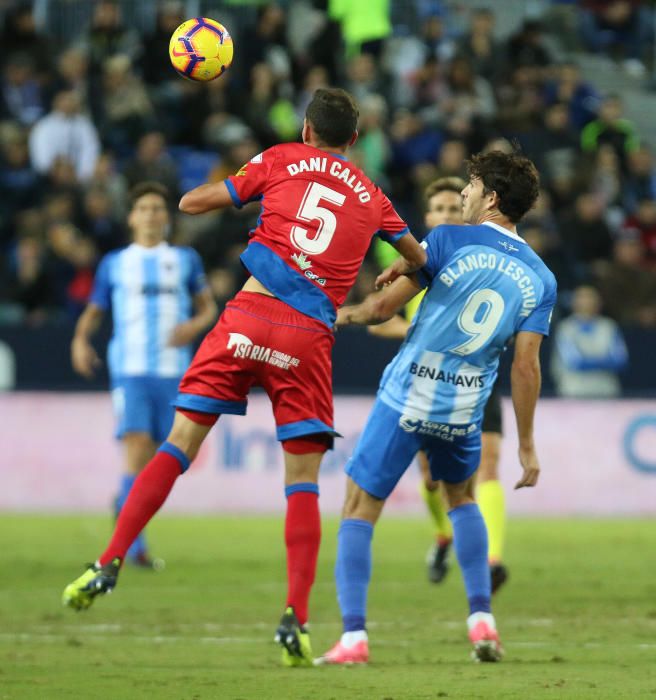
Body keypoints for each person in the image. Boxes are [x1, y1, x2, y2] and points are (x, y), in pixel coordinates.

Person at [62, 88, 427, 668]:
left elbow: (194, 203)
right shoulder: (375, 197)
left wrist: (217, 189)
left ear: (307, 128)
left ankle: (107, 561)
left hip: (246, 318)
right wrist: (402, 265)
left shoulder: (282, 157)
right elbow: (420, 257)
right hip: (308, 337)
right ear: (354, 140)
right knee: (302, 480)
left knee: (177, 445)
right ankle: (295, 618)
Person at [316, 150, 557, 665]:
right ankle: (482, 624)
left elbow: (382, 309)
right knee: (463, 500)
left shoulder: (447, 239)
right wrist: (529, 445)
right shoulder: (541, 277)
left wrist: (343, 315)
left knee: (358, 508)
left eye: (470, 187)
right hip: (464, 410)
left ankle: (354, 638)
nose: (463, 196)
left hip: (408, 395)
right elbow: (526, 368)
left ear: (490, 197)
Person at [370, 177, 510, 590]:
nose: (449, 215)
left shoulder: (492, 258)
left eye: (455, 208)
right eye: (441, 210)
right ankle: (444, 535)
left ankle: (492, 559)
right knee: (431, 477)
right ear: (428, 218)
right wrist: (419, 332)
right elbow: (379, 319)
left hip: (477, 377)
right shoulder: (419, 260)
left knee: (487, 465)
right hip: (424, 380)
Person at [70, 181, 217, 567]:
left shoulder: (185, 260)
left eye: (158, 208)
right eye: (144, 208)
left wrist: (193, 326)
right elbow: (95, 310)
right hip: (130, 371)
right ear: (132, 217)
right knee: (136, 451)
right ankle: (133, 550)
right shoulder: (115, 263)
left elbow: (208, 308)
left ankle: (125, 503)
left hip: (172, 372)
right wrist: (80, 341)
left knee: (158, 460)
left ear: (166, 218)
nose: (151, 214)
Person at [551, 284, 628, 397]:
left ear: (599, 302)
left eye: (590, 297)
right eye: (581, 297)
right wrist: (603, 361)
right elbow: (573, 361)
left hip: (606, 390)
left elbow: (620, 360)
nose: (586, 302)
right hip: (574, 390)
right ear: (574, 303)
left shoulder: (609, 326)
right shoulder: (566, 328)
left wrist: (591, 361)